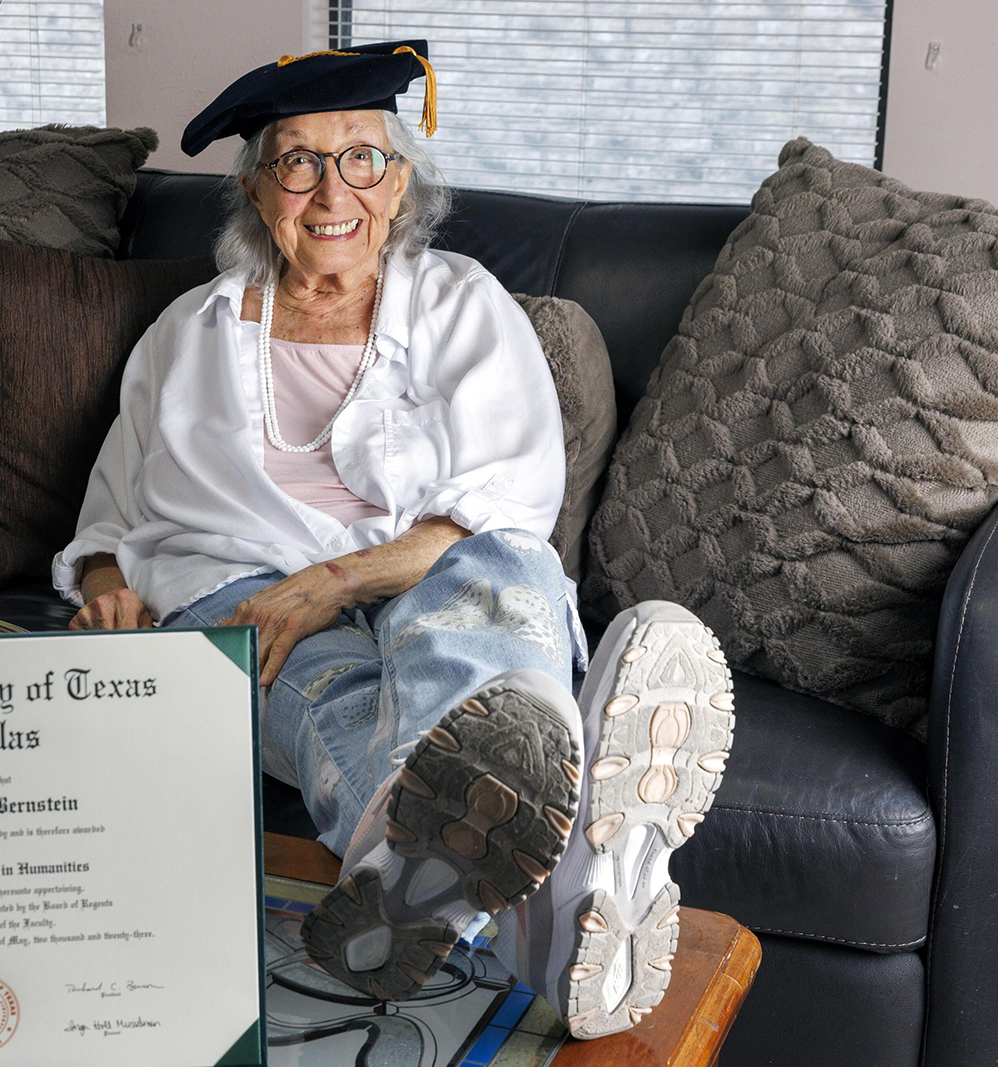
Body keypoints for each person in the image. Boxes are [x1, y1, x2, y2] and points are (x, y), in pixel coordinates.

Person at [52, 41, 735, 1040]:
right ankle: (561, 878)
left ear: (401, 179)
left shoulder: (461, 303)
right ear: (254, 186)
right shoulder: (187, 333)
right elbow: (115, 504)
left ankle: (428, 840)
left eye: (361, 157)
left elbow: (505, 497)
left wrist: (332, 579)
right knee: (327, 699)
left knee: (490, 589)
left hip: (438, 573)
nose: (333, 190)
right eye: (298, 160)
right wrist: (109, 579)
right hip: (245, 598)